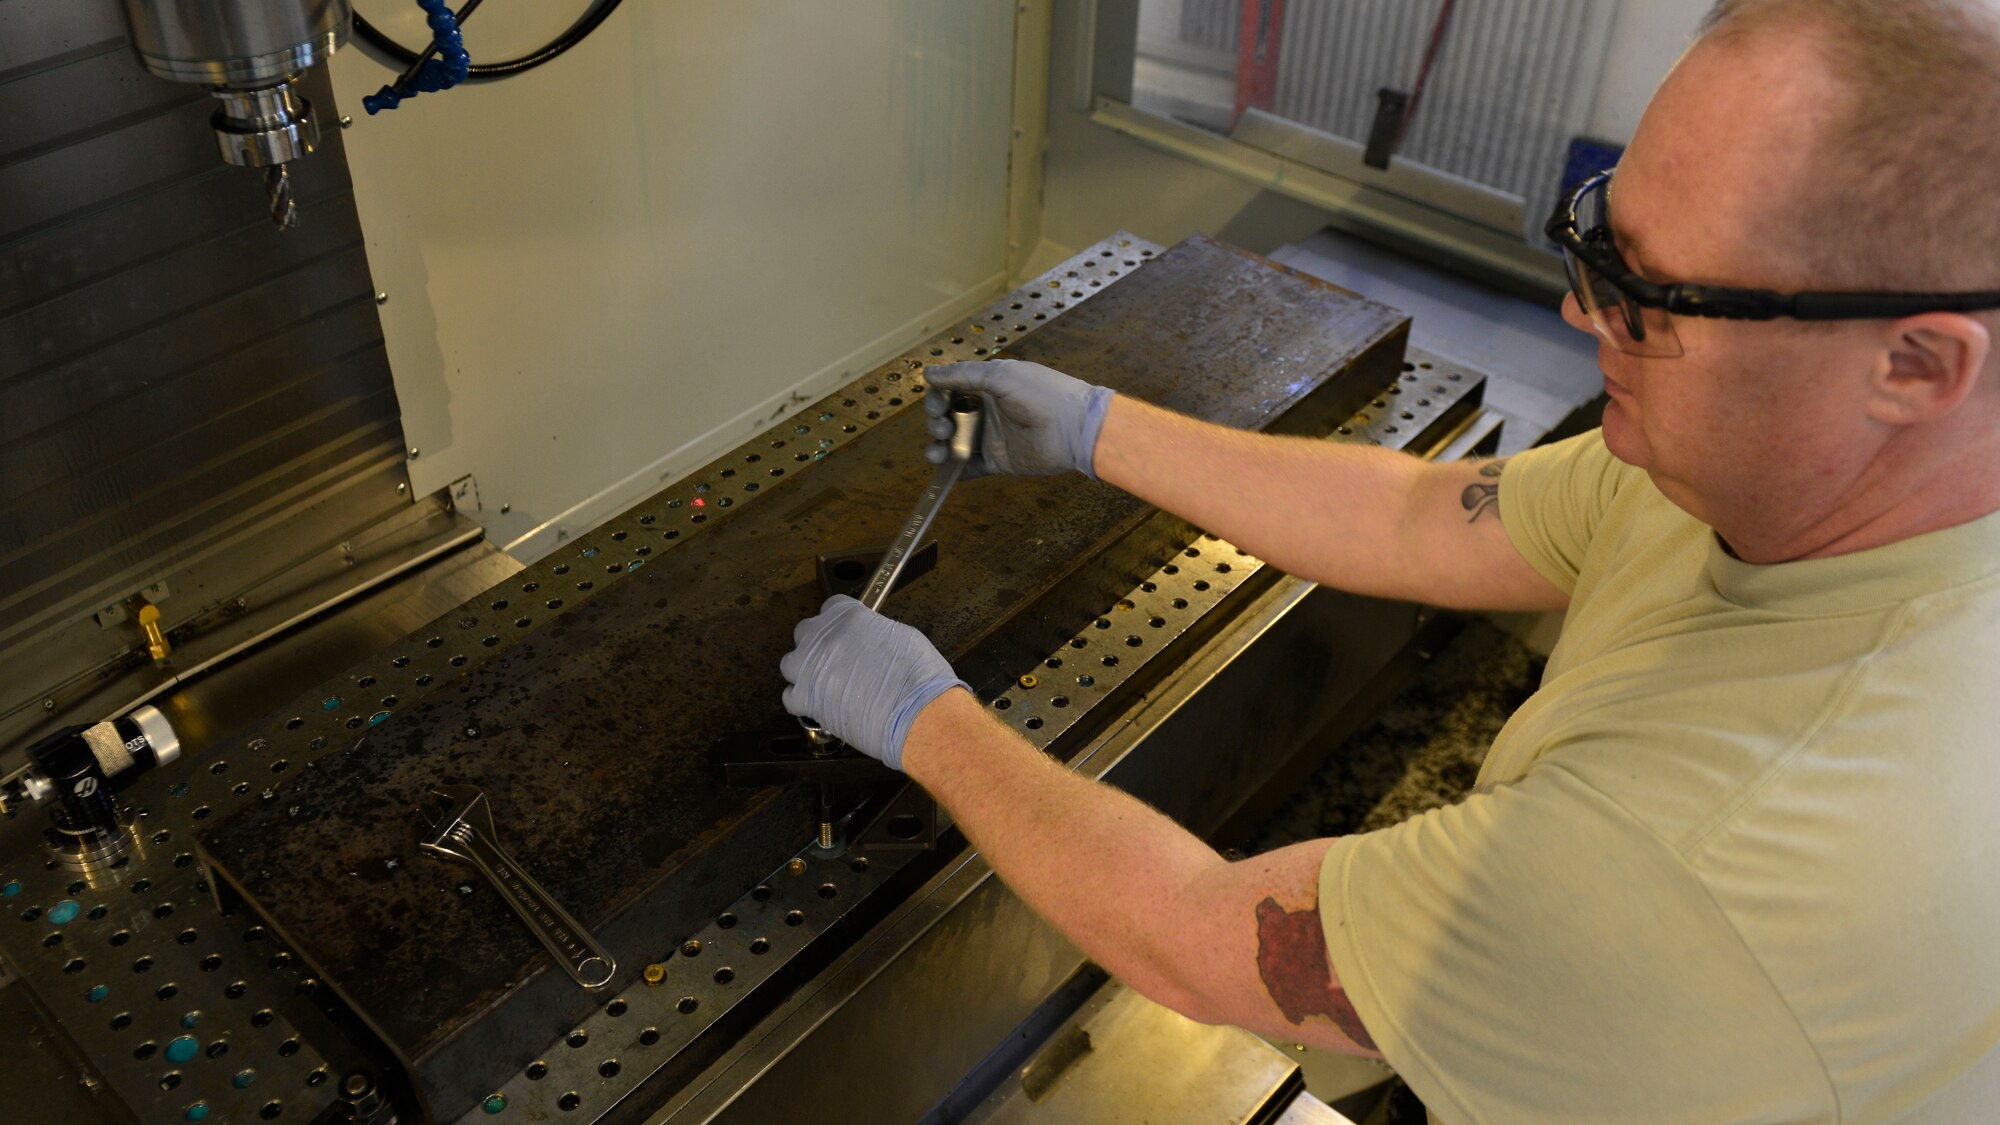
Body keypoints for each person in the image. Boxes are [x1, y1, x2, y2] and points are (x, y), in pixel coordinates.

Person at [779, 1, 2000, 1118]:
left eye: (1652, 298)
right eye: (1599, 241)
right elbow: (1422, 516)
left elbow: (1198, 941)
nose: (1582, 313)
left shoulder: (1705, 862)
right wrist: (1094, 429)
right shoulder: (1772, 475)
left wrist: (922, 718)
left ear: (1916, 364)